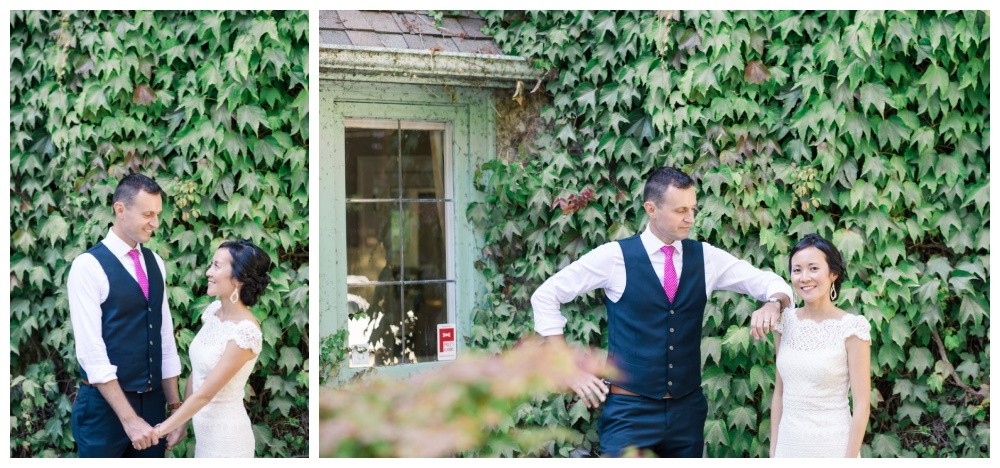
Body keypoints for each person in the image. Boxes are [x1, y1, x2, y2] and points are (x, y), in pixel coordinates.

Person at [531, 166, 793, 457]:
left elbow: (772, 283)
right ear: (651, 209)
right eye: (681, 210)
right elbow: (545, 295)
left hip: (687, 413)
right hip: (629, 415)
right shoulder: (614, 257)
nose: (691, 218)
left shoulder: (706, 258)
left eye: (693, 208)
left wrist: (774, 303)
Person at [68, 173, 185, 457]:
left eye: (157, 214)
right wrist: (130, 420)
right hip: (104, 411)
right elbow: (91, 353)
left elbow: (164, 338)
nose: (156, 223)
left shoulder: (155, 262)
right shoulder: (88, 266)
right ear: (120, 210)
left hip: (154, 404)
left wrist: (176, 411)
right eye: (148, 214)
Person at [150, 239, 271, 457]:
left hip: (227, 442)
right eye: (211, 265)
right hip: (205, 438)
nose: (208, 272)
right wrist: (181, 424)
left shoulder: (246, 332)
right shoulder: (214, 312)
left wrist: (159, 431)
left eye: (216, 266)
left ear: (239, 278)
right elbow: (197, 374)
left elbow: (205, 393)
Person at [769, 233, 871, 457]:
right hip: (788, 448)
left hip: (832, 448)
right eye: (797, 270)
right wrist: (773, 452)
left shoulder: (852, 328)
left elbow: (862, 404)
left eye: (813, 268)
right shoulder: (783, 323)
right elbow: (779, 393)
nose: (804, 277)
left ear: (833, 273)